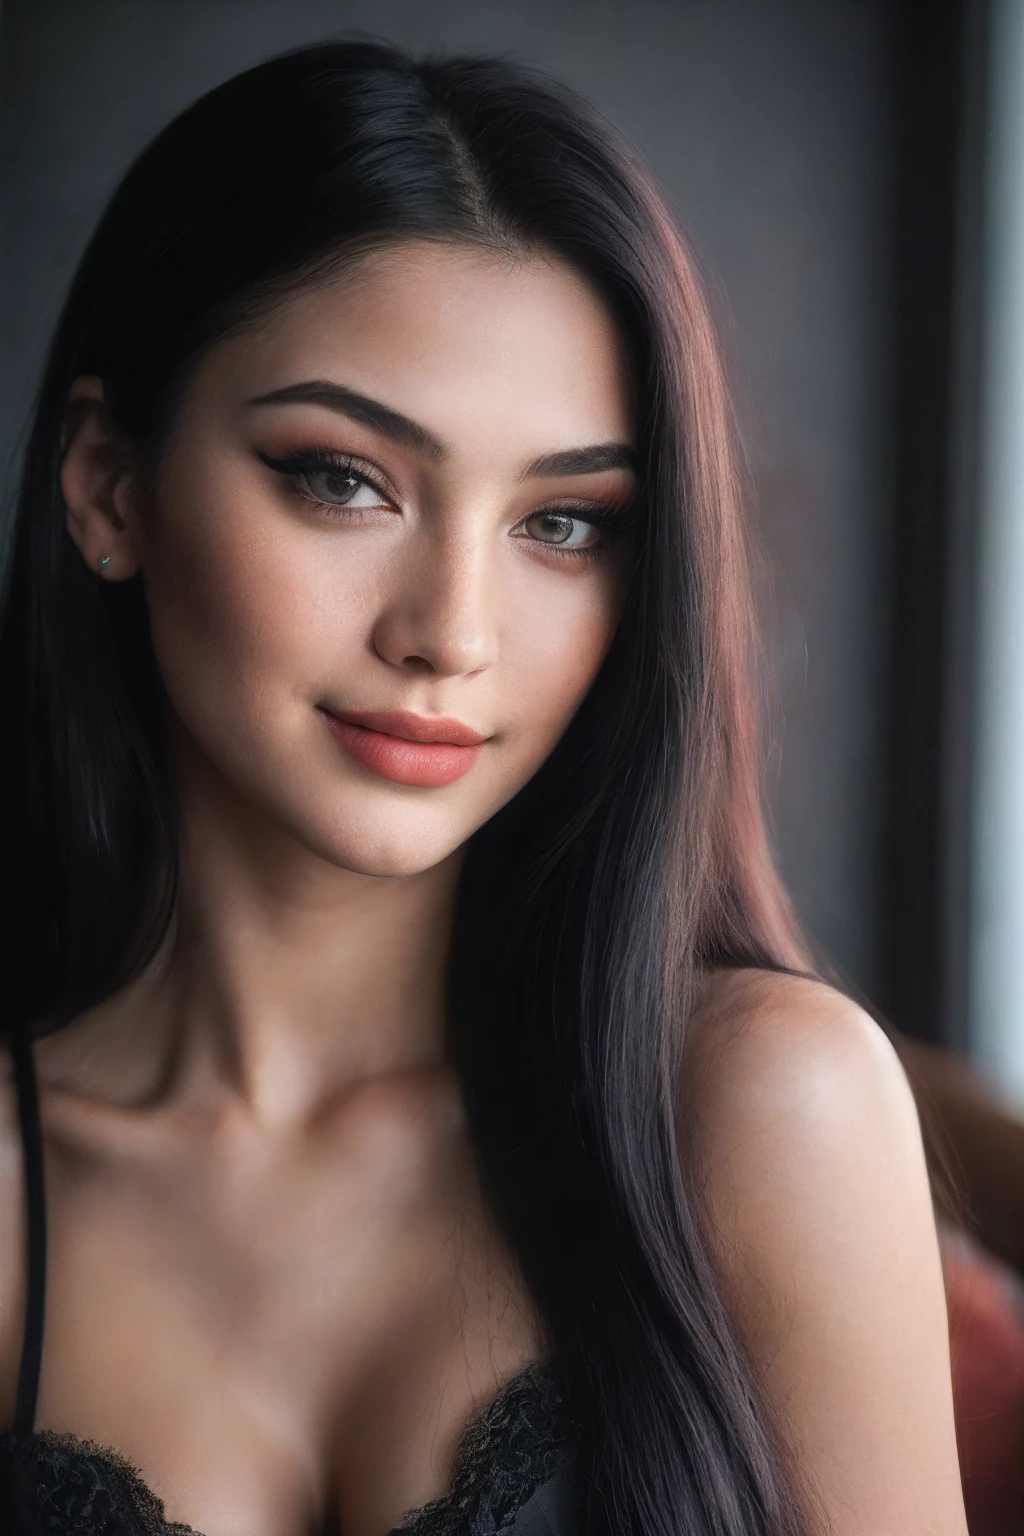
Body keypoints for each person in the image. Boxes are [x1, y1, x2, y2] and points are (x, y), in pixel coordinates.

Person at [0, 40, 966, 1536]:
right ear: (107, 485)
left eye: (565, 524)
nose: (449, 632)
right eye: (343, 479)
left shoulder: (767, 1110)